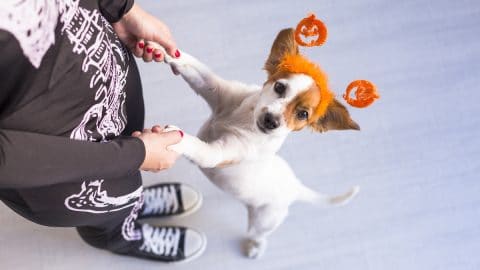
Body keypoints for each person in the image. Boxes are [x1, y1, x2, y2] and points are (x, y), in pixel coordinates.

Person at [0, 0, 206, 263]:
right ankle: (119, 237)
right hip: (55, 169)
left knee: (127, 188)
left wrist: (120, 8)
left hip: (104, 76)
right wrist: (135, 155)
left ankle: (132, 204)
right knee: (107, 206)